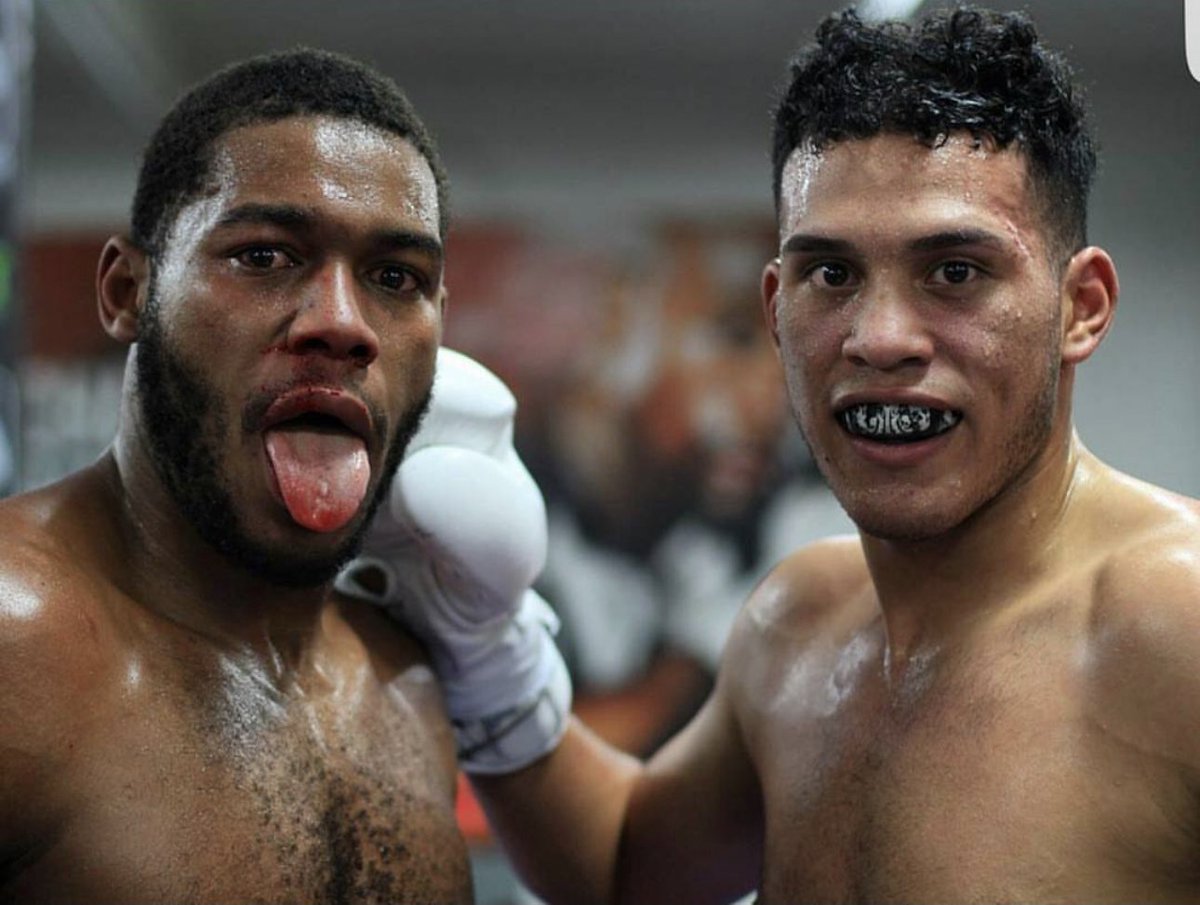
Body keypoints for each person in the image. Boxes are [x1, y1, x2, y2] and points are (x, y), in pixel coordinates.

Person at [343, 6, 1200, 904]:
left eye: (954, 271)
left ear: (1083, 306)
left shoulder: (1173, 626)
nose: (879, 338)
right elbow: (631, 867)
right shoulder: (797, 627)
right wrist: (486, 646)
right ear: (775, 307)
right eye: (830, 274)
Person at [0, 48, 489, 902]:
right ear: (126, 291)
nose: (342, 324)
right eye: (265, 256)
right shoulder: (17, 647)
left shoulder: (409, 682)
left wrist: (511, 662)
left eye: (394, 278)